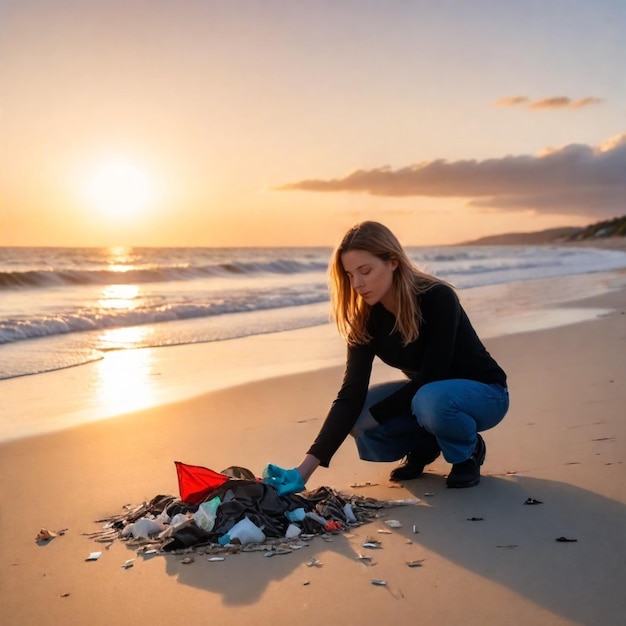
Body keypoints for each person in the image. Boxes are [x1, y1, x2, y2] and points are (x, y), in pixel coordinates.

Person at [265, 221, 509, 493]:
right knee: (356, 414)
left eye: (365, 271)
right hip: (427, 398)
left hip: (486, 394)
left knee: (427, 399)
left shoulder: (437, 297)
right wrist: (303, 469)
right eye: (349, 275)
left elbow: (434, 375)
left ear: (392, 262)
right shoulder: (366, 320)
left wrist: (378, 415)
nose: (357, 284)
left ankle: (468, 451)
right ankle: (426, 445)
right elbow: (350, 394)